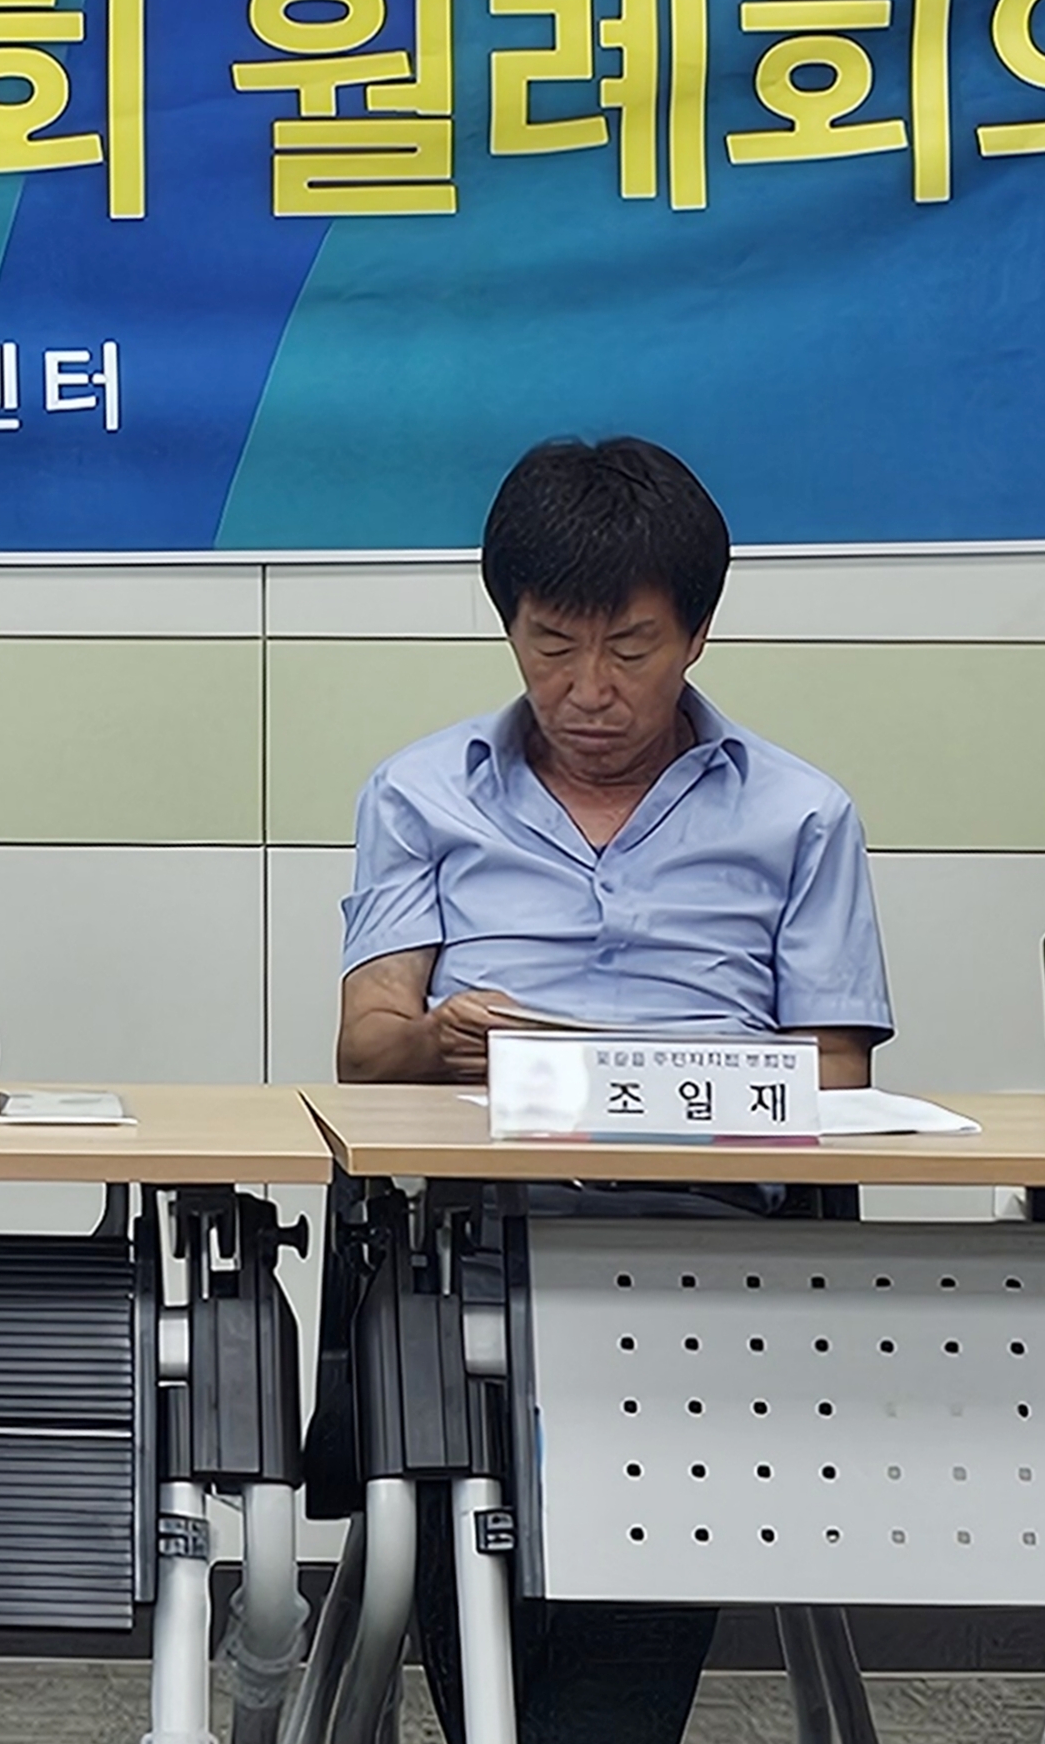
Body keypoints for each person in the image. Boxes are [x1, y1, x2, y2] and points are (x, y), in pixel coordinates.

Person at [336, 433, 892, 1744]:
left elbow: (836, 1071)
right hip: (476, 1243)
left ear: (696, 635)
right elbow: (365, 1047)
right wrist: (440, 1039)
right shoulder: (421, 793)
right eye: (550, 646)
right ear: (509, 628)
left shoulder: (799, 813)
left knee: (608, 1634)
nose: (586, 690)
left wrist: (651, 1079)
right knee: (462, 1482)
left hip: (709, 1254)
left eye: (630, 649)